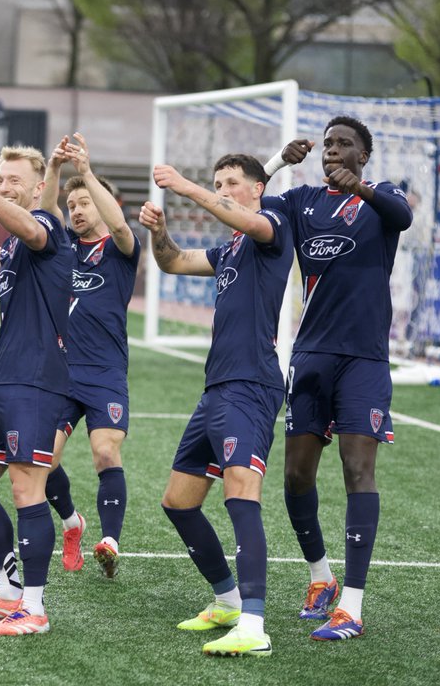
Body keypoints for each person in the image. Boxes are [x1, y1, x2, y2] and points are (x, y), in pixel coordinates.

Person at [262, 116, 413, 641]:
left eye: (343, 144)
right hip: (311, 356)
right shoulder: (302, 201)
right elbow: (246, 199)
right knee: (295, 477)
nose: (332, 150)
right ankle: (320, 578)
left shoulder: (382, 199)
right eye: (327, 143)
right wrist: (281, 161)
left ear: (362, 155)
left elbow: (404, 216)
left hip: (364, 359)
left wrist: (364, 190)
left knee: (357, 470)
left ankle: (352, 605)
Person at [142, 155, 292, 657]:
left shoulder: (271, 225)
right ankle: (227, 600)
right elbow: (173, 262)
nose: (223, 190)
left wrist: (186, 187)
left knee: (241, 494)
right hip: (218, 388)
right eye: (217, 183)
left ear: (258, 188)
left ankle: (254, 624)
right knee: (178, 502)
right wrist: (159, 232)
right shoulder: (229, 249)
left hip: (252, 384)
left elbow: (243, 217)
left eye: (232, 184)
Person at [0, 145, 73, 635]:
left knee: (27, 488)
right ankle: (8, 594)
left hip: (36, 381)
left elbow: (31, 228)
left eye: (12, 180)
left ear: (37, 184)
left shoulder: (45, 222)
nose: (4, 185)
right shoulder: (15, 241)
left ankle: (36, 609)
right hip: (3, 380)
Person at [38, 132, 140, 578]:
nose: (76, 212)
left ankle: (110, 541)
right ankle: (73, 523)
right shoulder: (62, 248)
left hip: (104, 371)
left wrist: (86, 173)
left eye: (84, 204)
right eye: (72, 206)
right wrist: (54, 169)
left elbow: (119, 225)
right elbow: (43, 214)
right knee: (45, 461)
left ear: (101, 204)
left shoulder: (121, 250)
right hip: (61, 371)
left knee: (104, 452)